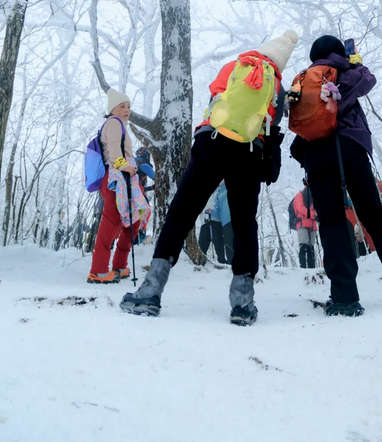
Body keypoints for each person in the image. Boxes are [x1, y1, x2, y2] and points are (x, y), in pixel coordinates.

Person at [120, 30, 298, 324]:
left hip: (211, 141)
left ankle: (150, 292)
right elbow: (272, 125)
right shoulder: (276, 85)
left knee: (182, 211)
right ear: (280, 63)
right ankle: (242, 304)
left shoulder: (235, 66)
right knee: (244, 223)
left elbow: (215, 96)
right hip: (249, 151)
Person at [290, 35, 382, 316]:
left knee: (331, 221)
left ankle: (344, 298)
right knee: (374, 218)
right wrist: (354, 62)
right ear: (339, 52)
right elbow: (368, 79)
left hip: (316, 153)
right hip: (349, 147)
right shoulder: (346, 72)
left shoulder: (306, 79)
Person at [87, 89, 151, 283]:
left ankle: (119, 266)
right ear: (112, 109)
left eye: (128, 106)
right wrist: (125, 165)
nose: (127, 110)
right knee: (112, 219)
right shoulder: (114, 123)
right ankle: (98, 271)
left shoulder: (120, 125)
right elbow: (115, 152)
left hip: (125, 177)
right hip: (116, 175)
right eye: (122, 106)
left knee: (134, 218)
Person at [199, 183, 234, 264]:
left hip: (217, 220)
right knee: (202, 242)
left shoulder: (220, 190)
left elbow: (219, 206)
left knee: (219, 242)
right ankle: (201, 259)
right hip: (205, 220)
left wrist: (213, 213)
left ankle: (222, 261)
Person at [291, 181, 318, 268]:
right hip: (303, 223)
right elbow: (300, 208)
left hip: (311, 224)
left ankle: (311, 268)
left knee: (311, 248)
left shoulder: (313, 195)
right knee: (304, 246)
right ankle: (303, 268)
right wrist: (314, 215)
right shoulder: (300, 195)